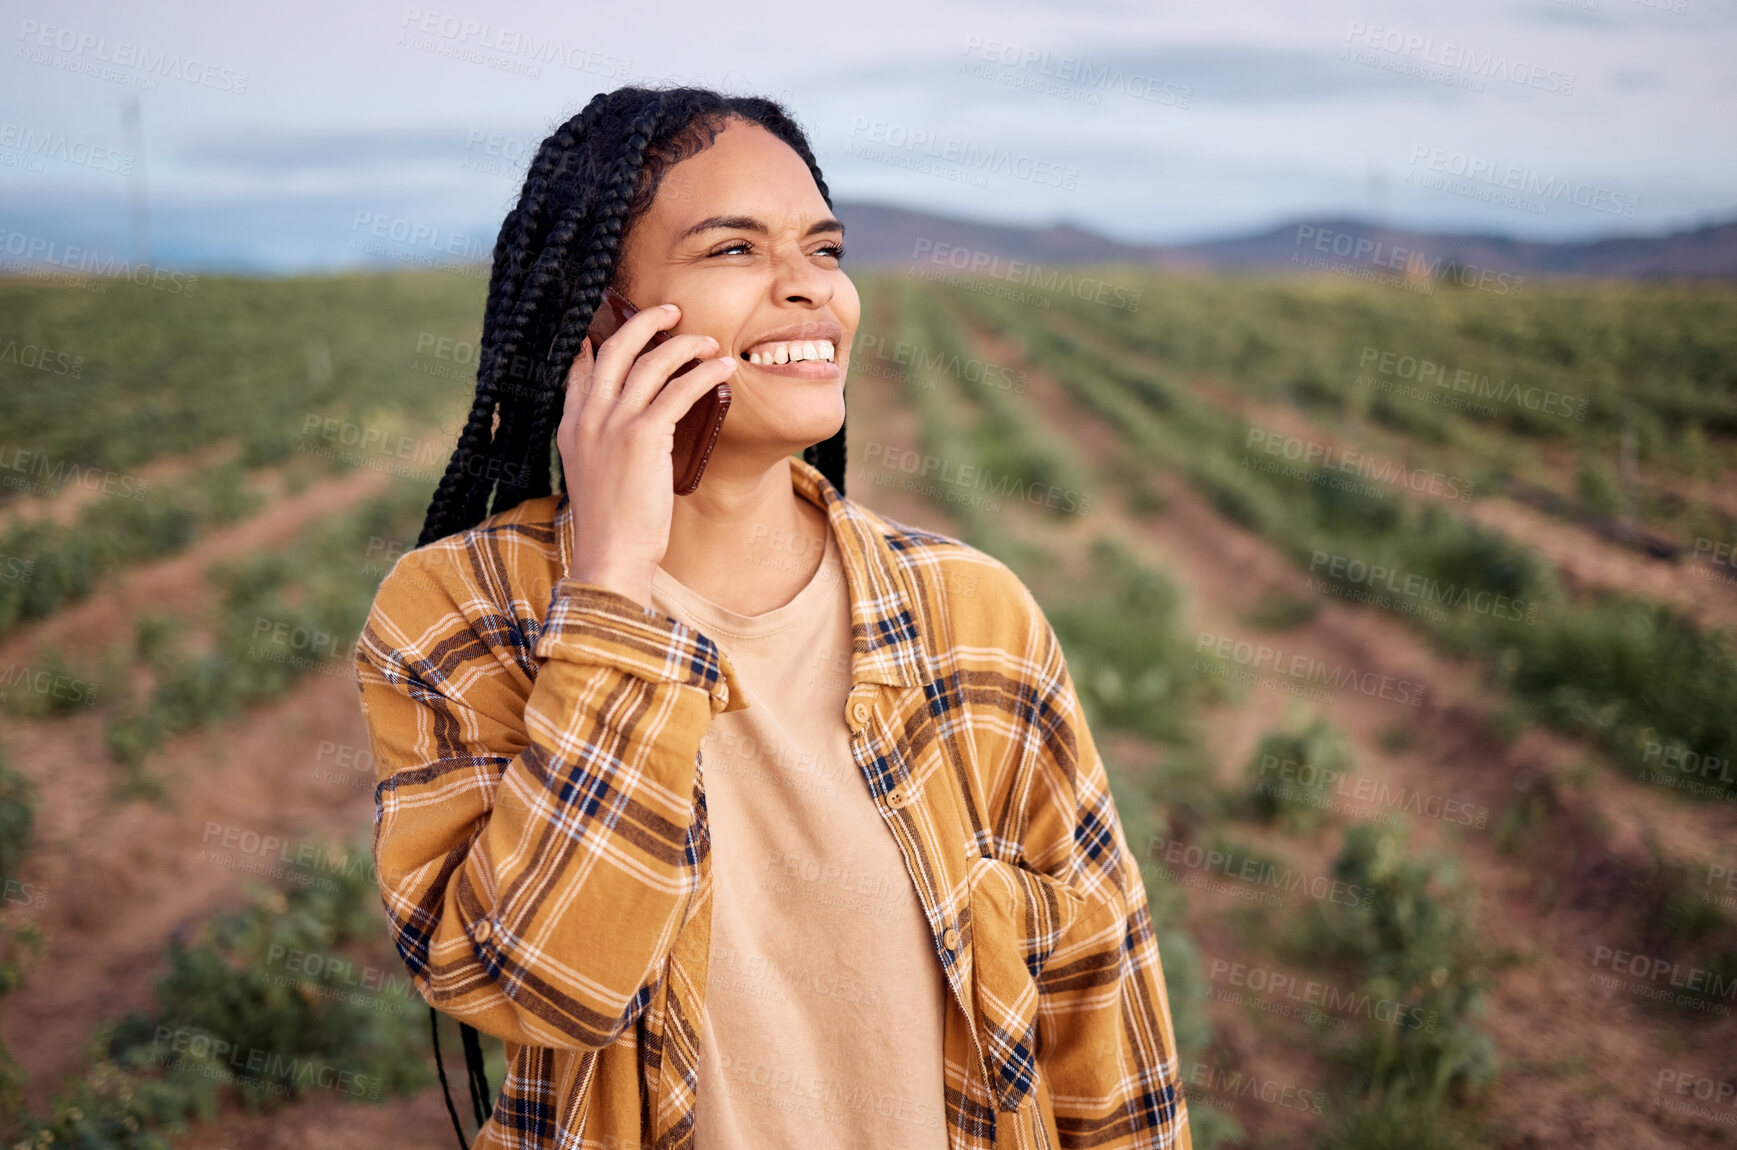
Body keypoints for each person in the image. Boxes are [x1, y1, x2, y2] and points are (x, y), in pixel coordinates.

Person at [354, 84, 1192, 1150]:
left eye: (824, 250)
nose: (811, 291)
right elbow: (539, 985)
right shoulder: (458, 615)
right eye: (734, 251)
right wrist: (611, 586)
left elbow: (1102, 1005)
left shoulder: (977, 618)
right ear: (597, 318)